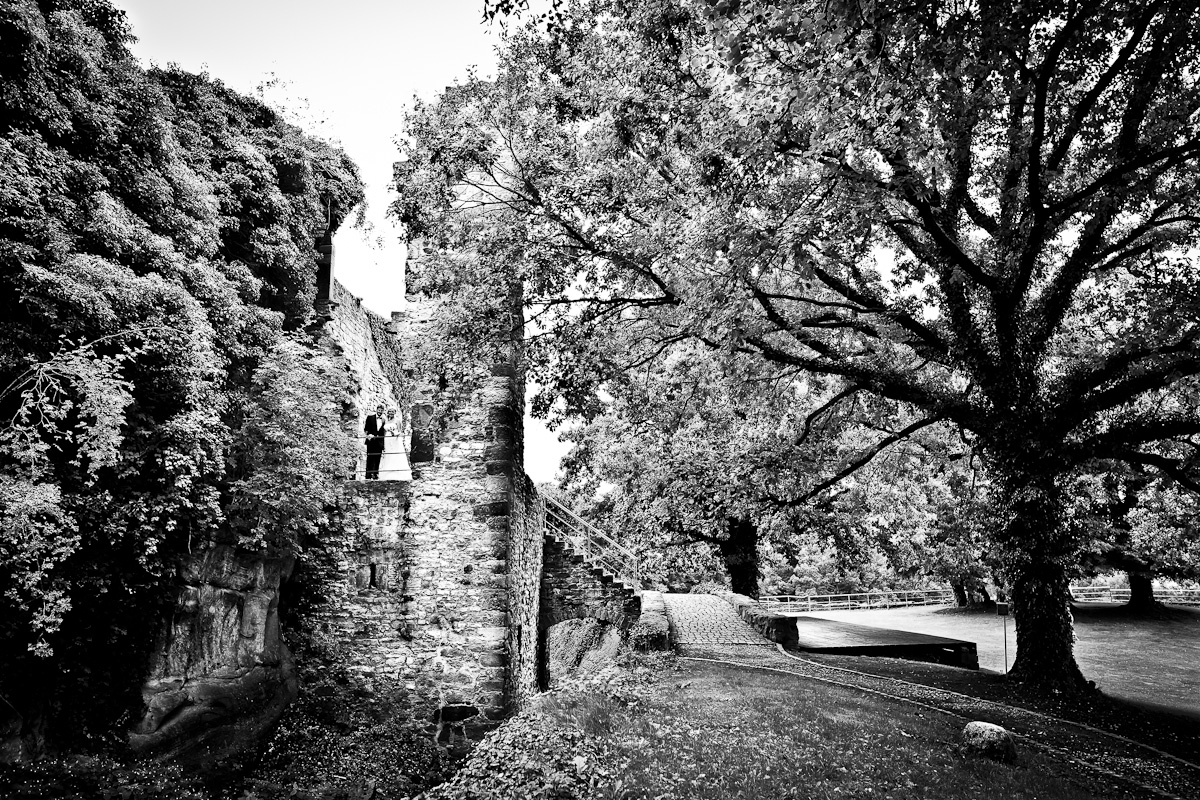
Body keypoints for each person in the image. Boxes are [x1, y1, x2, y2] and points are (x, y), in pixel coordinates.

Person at [377, 408, 411, 481]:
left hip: (395, 439)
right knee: (388, 455)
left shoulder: (397, 420)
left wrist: (394, 433)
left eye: (392, 412)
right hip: (387, 439)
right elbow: (383, 431)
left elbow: (400, 432)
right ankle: (387, 473)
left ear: (395, 413)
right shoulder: (385, 420)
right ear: (387, 413)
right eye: (389, 412)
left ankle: (397, 473)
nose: (391, 413)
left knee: (395, 455)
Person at [364, 403, 387, 479]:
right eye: (379, 410)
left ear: (383, 411)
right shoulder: (370, 417)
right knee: (370, 457)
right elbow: (366, 429)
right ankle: (368, 475)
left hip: (379, 442)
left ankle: (375, 474)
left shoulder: (384, 420)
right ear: (376, 410)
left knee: (378, 458)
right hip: (371, 441)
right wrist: (368, 435)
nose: (380, 411)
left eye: (382, 410)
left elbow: (384, 432)